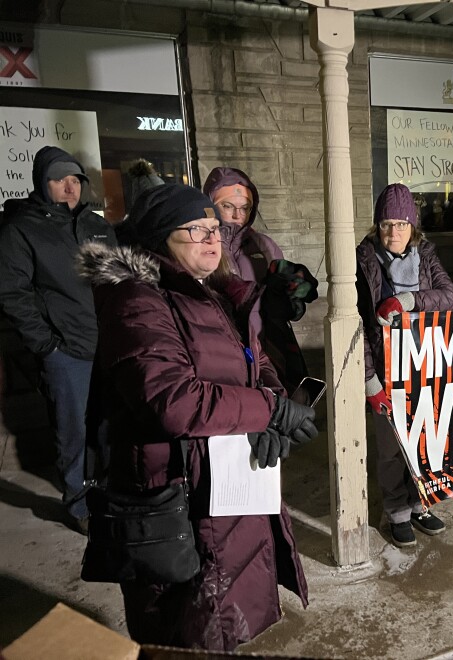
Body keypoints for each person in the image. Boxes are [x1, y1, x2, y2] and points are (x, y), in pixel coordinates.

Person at [76, 183, 318, 651]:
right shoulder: (137, 300)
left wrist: (268, 409)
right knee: (188, 626)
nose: (212, 239)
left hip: (225, 486)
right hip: (177, 496)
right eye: (196, 229)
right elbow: (173, 399)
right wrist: (269, 410)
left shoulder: (213, 292)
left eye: (215, 229)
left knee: (227, 619)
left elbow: (254, 360)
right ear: (160, 238)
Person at [0, 145, 117, 533]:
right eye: (59, 179)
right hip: (66, 351)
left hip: (108, 344)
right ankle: (78, 503)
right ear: (41, 183)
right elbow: (12, 293)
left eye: (76, 179)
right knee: (73, 429)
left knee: (108, 425)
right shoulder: (23, 230)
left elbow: (118, 280)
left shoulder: (97, 225)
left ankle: (108, 491)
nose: (70, 187)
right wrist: (47, 345)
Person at [356, 183, 453, 548]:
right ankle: (397, 509)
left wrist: (407, 299)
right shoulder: (364, 260)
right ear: (376, 226)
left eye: (401, 223)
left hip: (424, 366)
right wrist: (370, 382)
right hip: (384, 371)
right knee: (389, 448)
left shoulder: (426, 255)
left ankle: (419, 503)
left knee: (422, 442)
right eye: (386, 224)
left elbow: (448, 296)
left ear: (413, 226)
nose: (393, 232)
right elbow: (358, 326)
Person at [203, 167, 318, 396]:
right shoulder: (202, 247)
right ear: (210, 205)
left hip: (268, 351)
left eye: (245, 208)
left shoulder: (263, 246)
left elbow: (286, 307)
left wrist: (289, 296)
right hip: (221, 355)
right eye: (228, 206)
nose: (238, 215)